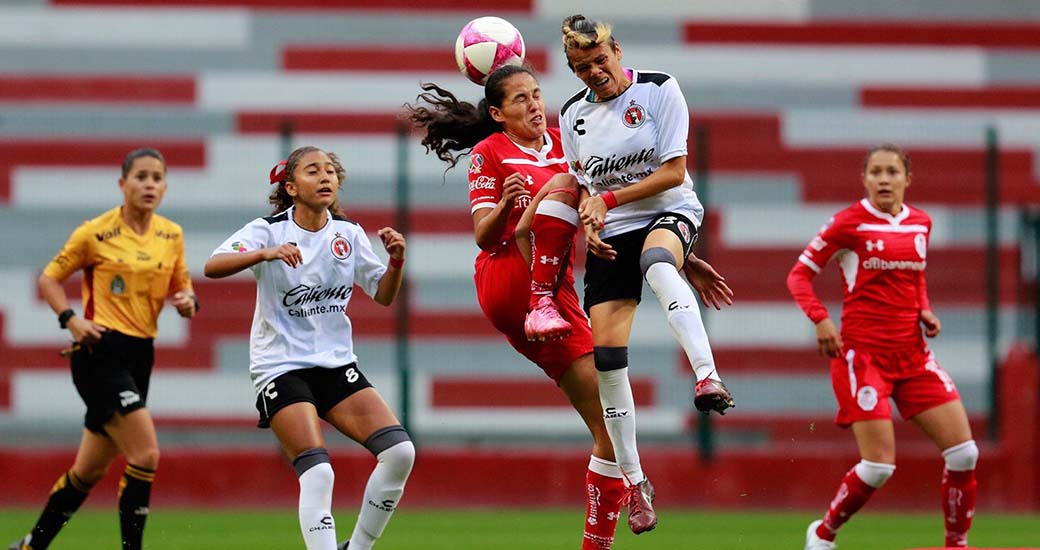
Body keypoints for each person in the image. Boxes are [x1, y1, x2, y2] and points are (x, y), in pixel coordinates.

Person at [406, 64, 733, 547]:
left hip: (554, 281)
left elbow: (612, 207)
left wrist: (686, 257)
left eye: (536, 94)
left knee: (608, 423)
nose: (534, 105)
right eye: (520, 99)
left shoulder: (566, 141)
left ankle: (609, 522)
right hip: (512, 277)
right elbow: (482, 235)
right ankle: (615, 513)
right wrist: (507, 204)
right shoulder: (489, 152)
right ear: (497, 113)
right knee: (608, 418)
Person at [558, 14, 736, 534]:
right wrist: (591, 219)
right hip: (612, 231)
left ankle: (707, 376)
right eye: (582, 67)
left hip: (668, 210)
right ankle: (636, 484)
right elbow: (583, 185)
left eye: (600, 60)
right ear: (572, 70)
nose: (595, 72)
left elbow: (673, 171)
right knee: (608, 361)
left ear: (617, 50)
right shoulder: (572, 116)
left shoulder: (659, 89)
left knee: (657, 262)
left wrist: (607, 199)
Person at [204, 146, 414, 550]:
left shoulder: (348, 235)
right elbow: (213, 265)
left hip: (335, 365)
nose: (326, 177)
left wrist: (397, 263)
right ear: (290, 186)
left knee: (401, 452)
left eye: (332, 170)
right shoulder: (269, 230)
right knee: (319, 473)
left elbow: (383, 296)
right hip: (281, 366)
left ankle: (357, 547)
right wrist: (265, 253)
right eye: (314, 170)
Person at [787, 144, 978, 549]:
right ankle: (822, 535)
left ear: (908, 179)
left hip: (913, 356)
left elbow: (915, 278)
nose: (884, 179)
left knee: (964, 454)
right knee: (877, 466)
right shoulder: (848, 223)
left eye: (892, 172)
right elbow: (799, 275)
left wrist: (924, 309)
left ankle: (956, 544)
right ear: (865, 178)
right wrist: (820, 319)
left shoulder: (920, 223)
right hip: (863, 358)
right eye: (876, 172)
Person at [9, 148, 198, 550]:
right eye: (141, 176)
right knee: (146, 454)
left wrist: (187, 303)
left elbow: (184, 290)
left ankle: (31, 546)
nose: (149, 184)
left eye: (157, 178)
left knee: (87, 471)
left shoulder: (172, 234)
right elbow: (49, 279)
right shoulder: (95, 232)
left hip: (140, 354)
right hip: (100, 353)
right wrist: (71, 320)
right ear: (122, 183)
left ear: (165, 186)